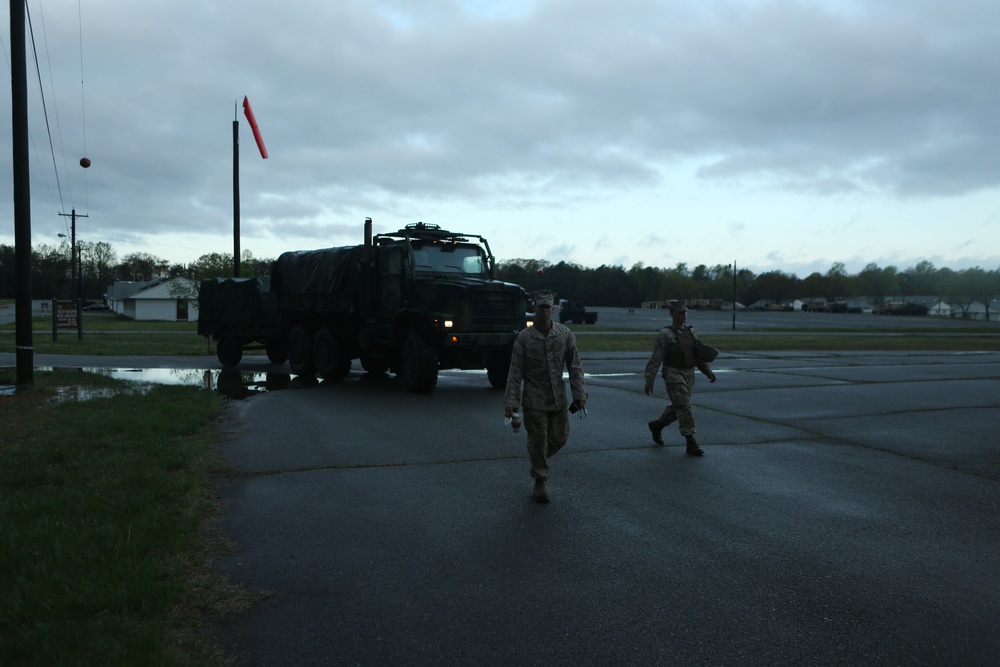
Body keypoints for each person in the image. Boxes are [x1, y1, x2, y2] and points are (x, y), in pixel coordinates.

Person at [505, 290, 587, 503]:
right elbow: (515, 372)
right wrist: (511, 402)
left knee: (560, 438)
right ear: (534, 309)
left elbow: (575, 366)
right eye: (540, 307)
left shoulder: (564, 334)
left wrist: (579, 393)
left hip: (558, 398)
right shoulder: (525, 337)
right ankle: (540, 481)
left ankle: (537, 456)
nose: (544, 311)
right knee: (539, 439)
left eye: (547, 307)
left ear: (553, 309)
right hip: (534, 400)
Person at [644, 300, 717, 456]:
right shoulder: (666, 334)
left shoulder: (691, 332)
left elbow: (698, 355)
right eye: (680, 312)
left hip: (689, 374)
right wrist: (649, 380)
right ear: (672, 314)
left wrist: (707, 371)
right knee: (684, 406)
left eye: (685, 312)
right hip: (673, 373)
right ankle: (691, 441)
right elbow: (656, 358)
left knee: (678, 407)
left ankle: (657, 425)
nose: (683, 315)